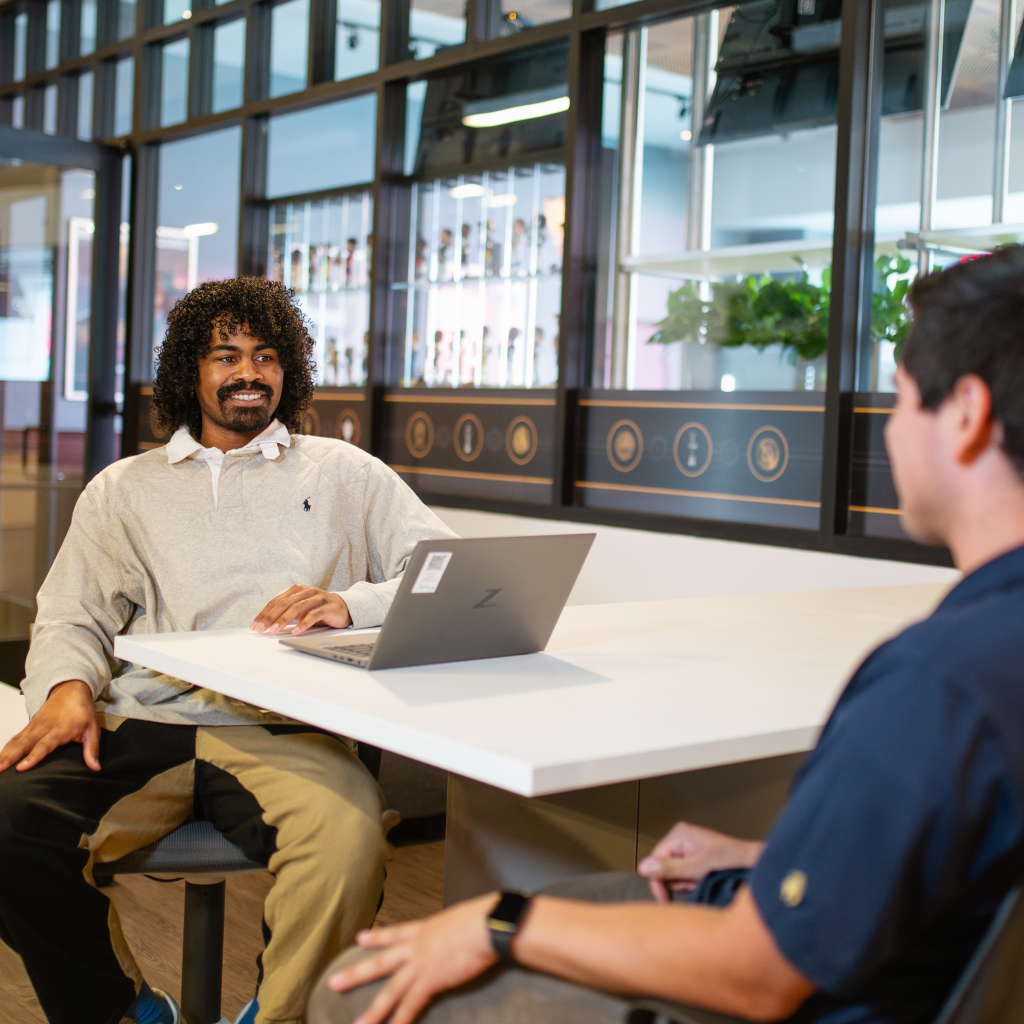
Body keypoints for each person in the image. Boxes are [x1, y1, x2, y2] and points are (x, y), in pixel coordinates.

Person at [309, 245, 1024, 1024]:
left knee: (356, 990)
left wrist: (496, 923)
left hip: (802, 995)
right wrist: (771, 862)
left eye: (902, 399)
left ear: (964, 416)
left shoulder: (933, 682)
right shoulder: (981, 658)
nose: (889, 433)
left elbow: (757, 974)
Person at [0, 277, 456, 1024]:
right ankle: (126, 1012)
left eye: (267, 355)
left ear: (289, 370)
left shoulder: (343, 471)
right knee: (7, 821)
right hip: (145, 719)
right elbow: (70, 615)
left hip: (282, 723)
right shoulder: (124, 490)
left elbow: (442, 571)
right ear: (191, 372)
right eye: (227, 355)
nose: (250, 372)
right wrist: (66, 688)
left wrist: (350, 603)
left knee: (348, 845)